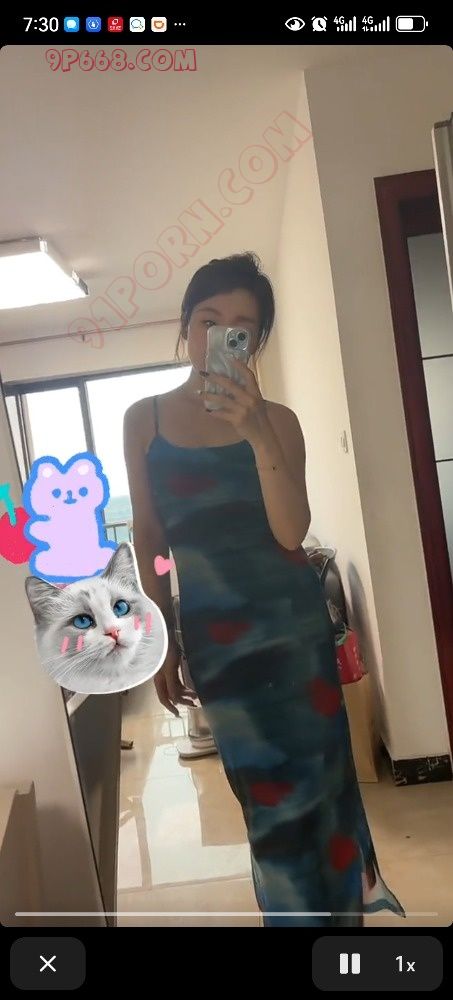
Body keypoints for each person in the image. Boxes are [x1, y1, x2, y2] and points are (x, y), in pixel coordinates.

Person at [123, 252, 404, 927]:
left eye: (240, 329)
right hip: (220, 647)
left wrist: (253, 431)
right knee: (266, 801)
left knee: (322, 787)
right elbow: (150, 537)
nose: (220, 337)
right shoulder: (144, 420)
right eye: (207, 320)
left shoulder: (279, 421)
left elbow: (290, 532)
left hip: (294, 635)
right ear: (185, 327)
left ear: (255, 343)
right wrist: (161, 641)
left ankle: (341, 922)